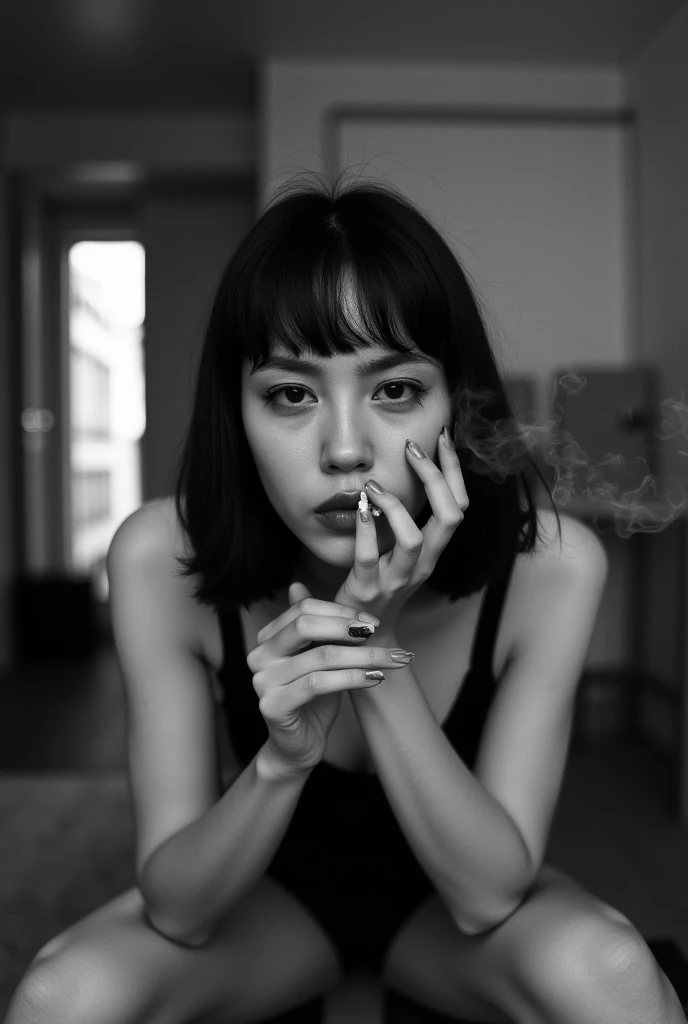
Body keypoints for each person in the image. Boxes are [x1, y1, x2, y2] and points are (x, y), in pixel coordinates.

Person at [6, 172, 685, 1024]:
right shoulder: (157, 558)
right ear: (237, 413)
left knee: (617, 973)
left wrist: (373, 642)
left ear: (454, 403)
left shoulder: (553, 566)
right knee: (62, 994)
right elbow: (179, 909)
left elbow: (486, 899)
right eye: (290, 394)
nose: (344, 449)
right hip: (272, 911)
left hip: (451, 920)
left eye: (394, 389)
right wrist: (282, 760)